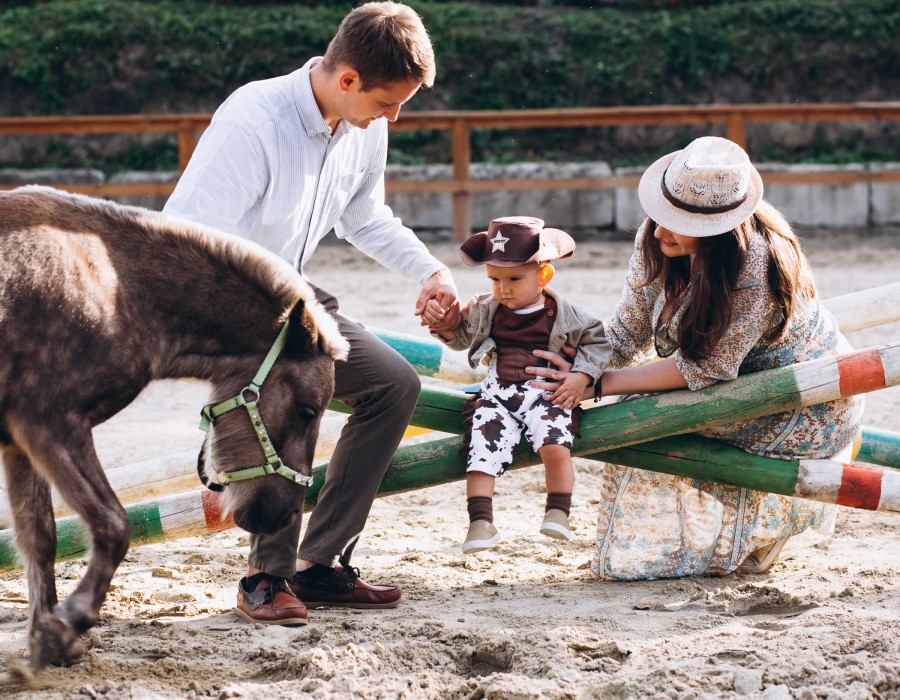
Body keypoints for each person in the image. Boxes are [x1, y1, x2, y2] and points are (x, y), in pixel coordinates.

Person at [164, 2, 461, 624]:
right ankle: (264, 580)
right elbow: (184, 237)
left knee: (392, 384)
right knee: (301, 382)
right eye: (388, 102)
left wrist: (430, 270)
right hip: (221, 303)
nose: (394, 117)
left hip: (292, 297)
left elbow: (364, 217)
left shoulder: (363, 125)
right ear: (347, 78)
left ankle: (319, 563)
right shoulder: (252, 119)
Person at [527, 136, 864, 579]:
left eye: (678, 222)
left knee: (633, 413)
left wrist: (600, 384)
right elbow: (627, 331)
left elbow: (705, 369)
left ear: (720, 229)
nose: (660, 229)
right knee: (630, 407)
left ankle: (752, 534)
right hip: (742, 384)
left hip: (806, 401)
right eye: (661, 213)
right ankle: (738, 541)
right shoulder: (658, 239)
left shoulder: (755, 264)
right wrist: (579, 363)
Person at [422, 216, 612, 554]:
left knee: (556, 440)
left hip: (545, 392)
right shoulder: (486, 308)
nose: (503, 289)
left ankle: (558, 509)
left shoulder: (567, 316)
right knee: (480, 446)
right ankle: (480, 521)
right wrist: (445, 325)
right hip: (497, 395)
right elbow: (460, 337)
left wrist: (582, 375)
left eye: (513, 279)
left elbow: (598, 343)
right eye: (494, 279)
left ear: (543, 275)